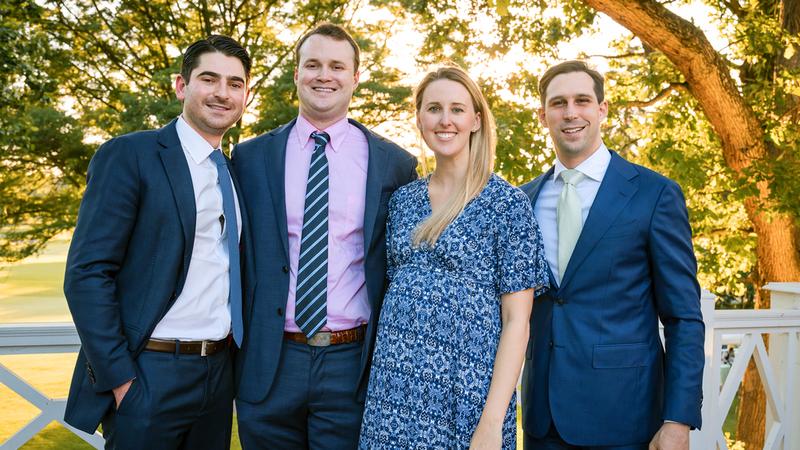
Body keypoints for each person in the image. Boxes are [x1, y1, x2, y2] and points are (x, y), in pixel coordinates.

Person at [231, 22, 418, 448]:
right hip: (271, 361)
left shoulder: (394, 164)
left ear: (355, 77)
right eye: (312, 64)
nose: (323, 75)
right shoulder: (250, 157)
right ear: (296, 74)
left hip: (351, 364)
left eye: (337, 66)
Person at [63, 35, 251, 449]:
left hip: (219, 374)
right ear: (181, 86)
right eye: (209, 79)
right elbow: (87, 273)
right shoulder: (131, 155)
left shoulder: (236, 173)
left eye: (235, 84)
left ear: (246, 95)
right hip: (149, 372)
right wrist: (121, 380)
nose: (223, 93)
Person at [358, 65, 549, 449]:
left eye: (458, 109)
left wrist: (493, 420)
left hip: (468, 391)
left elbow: (517, 322)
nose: (445, 120)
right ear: (419, 118)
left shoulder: (507, 204)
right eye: (434, 109)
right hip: (394, 389)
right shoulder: (403, 200)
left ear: (476, 120)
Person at [520, 60, 705, 450]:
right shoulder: (522, 200)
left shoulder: (653, 194)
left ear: (602, 109)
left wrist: (678, 419)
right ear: (543, 115)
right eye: (558, 103)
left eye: (582, 100)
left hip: (626, 419)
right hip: (542, 420)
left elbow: (683, 317)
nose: (570, 113)